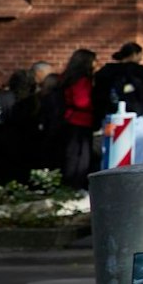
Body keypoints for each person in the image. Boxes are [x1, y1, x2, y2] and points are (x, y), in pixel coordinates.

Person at [55, 49, 98, 189]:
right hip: (81, 120)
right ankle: (76, 184)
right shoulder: (82, 80)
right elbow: (82, 102)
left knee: (72, 154)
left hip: (71, 118)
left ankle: (70, 184)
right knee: (80, 155)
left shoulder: (68, 78)